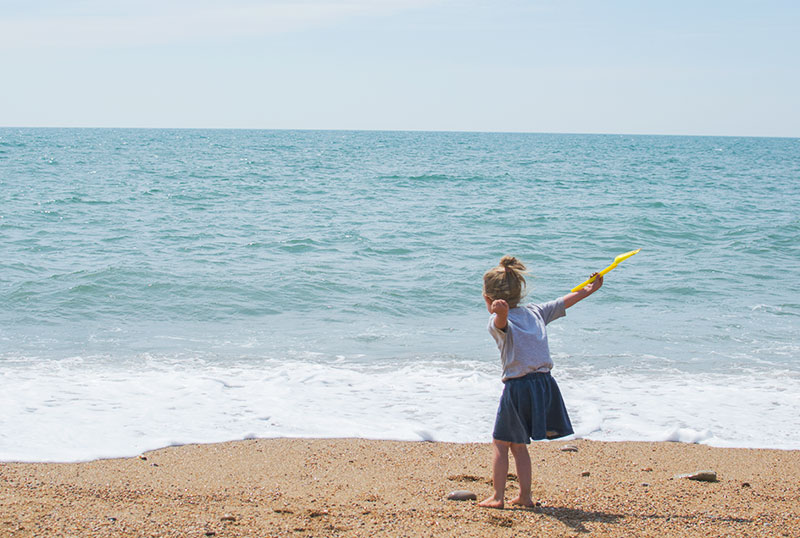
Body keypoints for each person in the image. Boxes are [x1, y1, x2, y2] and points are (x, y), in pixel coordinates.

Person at [478, 255, 603, 509]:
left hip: (518, 386)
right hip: (544, 384)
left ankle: (498, 497)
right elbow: (563, 303)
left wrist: (500, 315)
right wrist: (588, 290)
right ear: (520, 291)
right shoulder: (536, 311)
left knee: (501, 442)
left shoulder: (497, 320)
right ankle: (524, 496)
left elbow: (500, 325)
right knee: (520, 445)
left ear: (488, 299)